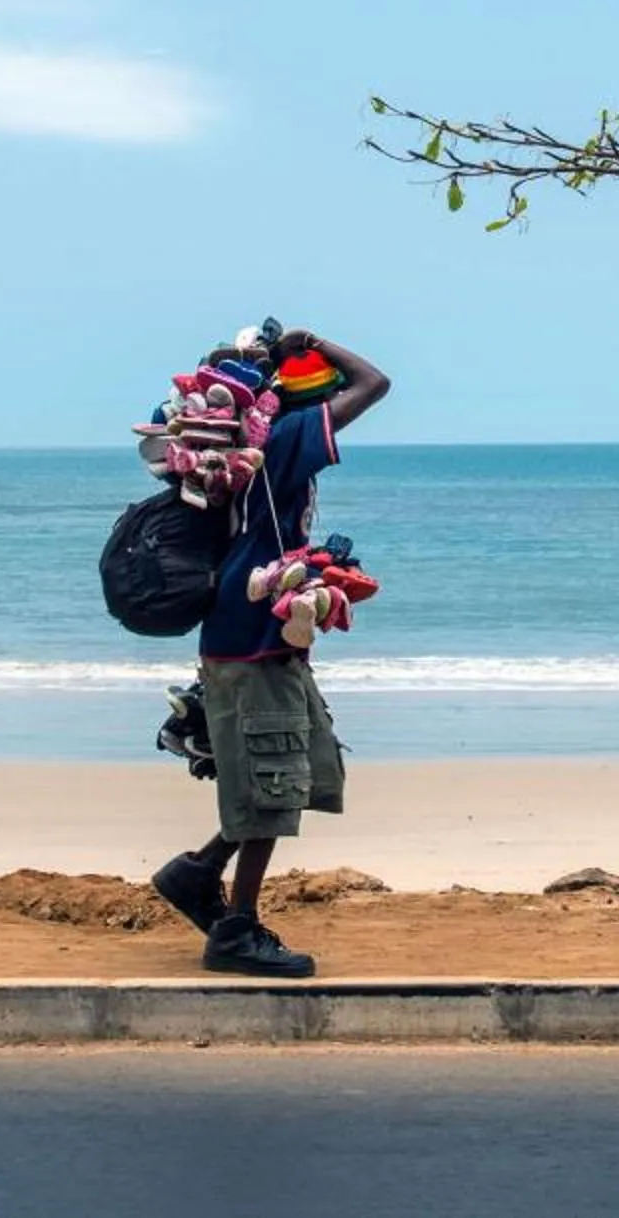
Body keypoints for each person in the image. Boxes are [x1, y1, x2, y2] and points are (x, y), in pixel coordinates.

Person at [150, 326, 389, 977]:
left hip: (249, 632)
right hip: (253, 637)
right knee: (272, 787)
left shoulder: (230, 458)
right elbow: (375, 383)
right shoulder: (281, 442)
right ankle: (236, 930)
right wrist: (319, 345)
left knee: (300, 766)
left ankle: (197, 873)